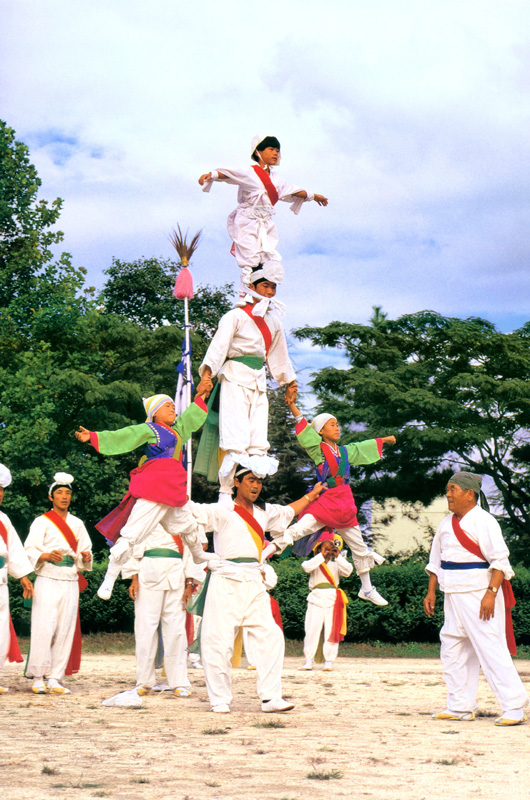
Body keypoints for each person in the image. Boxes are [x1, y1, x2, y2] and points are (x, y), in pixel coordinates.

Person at [188, 466, 323, 713]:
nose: (256, 485)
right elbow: (192, 511)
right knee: (217, 640)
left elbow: (288, 512)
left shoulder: (264, 512)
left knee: (270, 636)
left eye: (259, 481)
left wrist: (311, 496)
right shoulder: (222, 510)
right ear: (236, 482)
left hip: (253, 580)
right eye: (251, 480)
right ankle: (219, 698)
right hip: (226, 579)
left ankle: (271, 697)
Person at [75, 387, 215, 600]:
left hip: (173, 489)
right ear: (154, 413)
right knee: (132, 533)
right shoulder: (150, 429)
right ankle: (109, 578)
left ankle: (197, 554)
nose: (172, 408)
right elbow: (124, 436)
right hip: (155, 487)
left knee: (188, 524)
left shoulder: (177, 432)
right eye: (166, 405)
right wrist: (94, 436)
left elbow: (189, 418)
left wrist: (202, 395)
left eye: (173, 405)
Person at [423, 471, 529, 726]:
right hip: (453, 595)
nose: (447, 495)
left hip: (480, 594)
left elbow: (500, 562)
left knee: (490, 648)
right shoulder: (446, 523)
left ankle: (514, 706)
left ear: (470, 494)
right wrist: (431, 590)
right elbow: (436, 560)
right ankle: (460, 705)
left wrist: (491, 594)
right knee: (453, 647)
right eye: (447, 490)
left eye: (453, 489)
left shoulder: (485, 521)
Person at [196, 264, 296, 503]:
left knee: (258, 440)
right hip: (234, 377)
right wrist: (207, 375)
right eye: (265, 286)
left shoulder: (274, 322)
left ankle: (252, 493)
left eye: (273, 287)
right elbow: (218, 347)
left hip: (259, 380)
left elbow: (279, 355)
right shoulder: (235, 316)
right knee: (235, 439)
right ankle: (225, 493)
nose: (270, 292)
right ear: (251, 287)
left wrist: (289, 383)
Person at [283, 396, 395, 606]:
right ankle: (269, 548)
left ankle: (367, 588)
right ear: (321, 432)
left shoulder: (344, 451)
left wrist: (384, 441)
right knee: (300, 529)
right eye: (331, 425)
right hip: (326, 500)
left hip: (344, 502)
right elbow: (304, 430)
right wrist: (292, 405)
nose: (337, 428)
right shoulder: (318, 449)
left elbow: (362, 447)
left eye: (337, 424)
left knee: (360, 548)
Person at [198, 135, 328, 286]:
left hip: (266, 221)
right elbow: (228, 173)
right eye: (271, 149)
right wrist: (211, 175)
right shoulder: (249, 172)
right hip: (248, 219)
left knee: (267, 255)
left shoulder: (277, 179)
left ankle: (264, 285)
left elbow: (293, 191)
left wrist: (314, 196)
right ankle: (246, 287)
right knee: (249, 254)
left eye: (277, 151)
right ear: (258, 152)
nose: (275, 153)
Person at [24, 473, 92, 694]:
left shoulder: (77, 523)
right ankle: (37, 676)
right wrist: (44, 556)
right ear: (51, 497)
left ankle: (55, 677)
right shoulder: (41, 521)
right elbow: (29, 549)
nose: (64, 497)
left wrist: (86, 558)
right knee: (44, 626)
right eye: (60, 493)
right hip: (48, 578)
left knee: (65, 628)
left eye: (68, 493)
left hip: (70, 579)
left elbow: (84, 551)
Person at [121, 524, 202, 699]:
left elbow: (190, 553)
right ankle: (144, 682)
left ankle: (178, 682)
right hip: (148, 574)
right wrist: (133, 578)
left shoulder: (183, 518)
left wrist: (189, 584)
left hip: (177, 575)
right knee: (145, 629)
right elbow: (133, 547)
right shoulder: (147, 515)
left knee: (176, 631)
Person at [0, 464, 34, 694]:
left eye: (2, 489)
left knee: (0, 630)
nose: (0, 493)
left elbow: (14, 549)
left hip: (1, 580)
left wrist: (23, 576)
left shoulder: (3, 519)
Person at [298, 531, 352, 672]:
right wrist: (321, 555)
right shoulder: (314, 563)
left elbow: (348, 571)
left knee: (331, 630)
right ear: (318, 549)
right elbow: (305, 567)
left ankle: (329, 661)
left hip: (332, 597)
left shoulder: (336, 565)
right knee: (311, 629)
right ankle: (308, 660)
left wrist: (337, 556)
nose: (328, 551)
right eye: (325, 548)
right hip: (316, 597)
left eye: (330, 548)